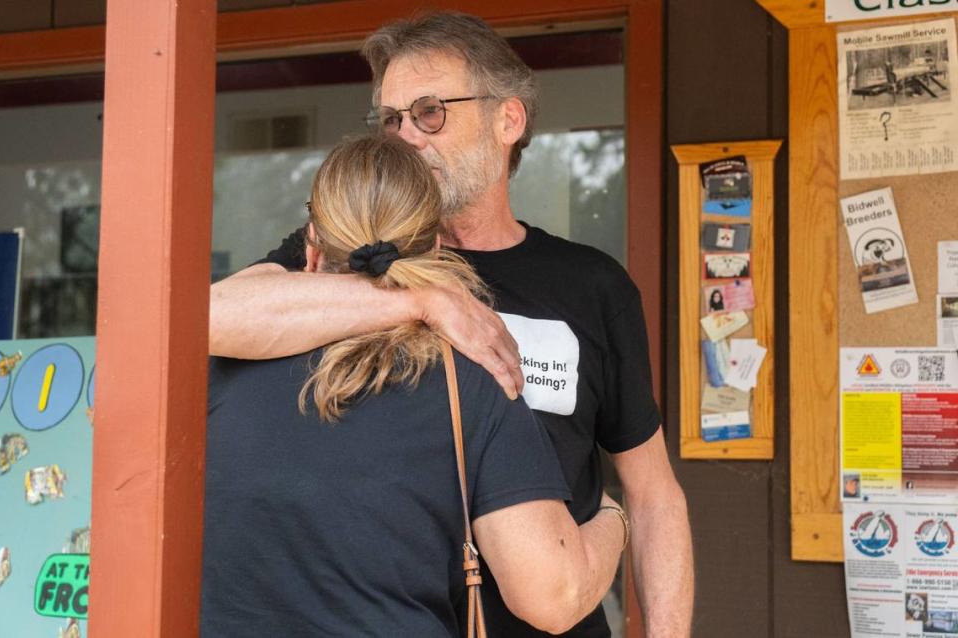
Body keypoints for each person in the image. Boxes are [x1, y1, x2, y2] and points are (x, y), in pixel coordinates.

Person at [209, 12, 693, 637]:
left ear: (508, 120)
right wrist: (421, 303)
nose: (406, 136)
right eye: (391, 119)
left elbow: (654, 495)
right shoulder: (345, 254)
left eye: (430, 111)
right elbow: (207, 320)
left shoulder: (592, 286)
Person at [201, 135, 628, 637]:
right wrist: (615, 519)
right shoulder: (466, 381)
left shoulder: (218, 366)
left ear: (311, 250)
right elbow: (553, 596)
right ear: (436, 247)